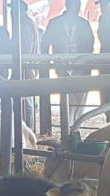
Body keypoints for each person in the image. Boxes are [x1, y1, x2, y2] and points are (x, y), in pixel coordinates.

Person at [41, 0, 95, 131]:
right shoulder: (55, 23)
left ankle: (75, 127)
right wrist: (48, 61)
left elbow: (90, 46)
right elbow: (44, 43)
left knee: (80, 99)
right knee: (66, 97)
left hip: (81, 66)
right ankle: (69, 128)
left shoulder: (84, 24)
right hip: (63, 65)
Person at [16, 1, 41, 130]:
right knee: (26, 99)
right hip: (28, 65)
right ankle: (28, 129)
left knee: (25, 100)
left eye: (13, 10)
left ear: (21, 11)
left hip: (25, 66)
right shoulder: (27, 23)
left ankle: (27, 130)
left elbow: (24, 50)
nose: (11, 12)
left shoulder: (24, 25)